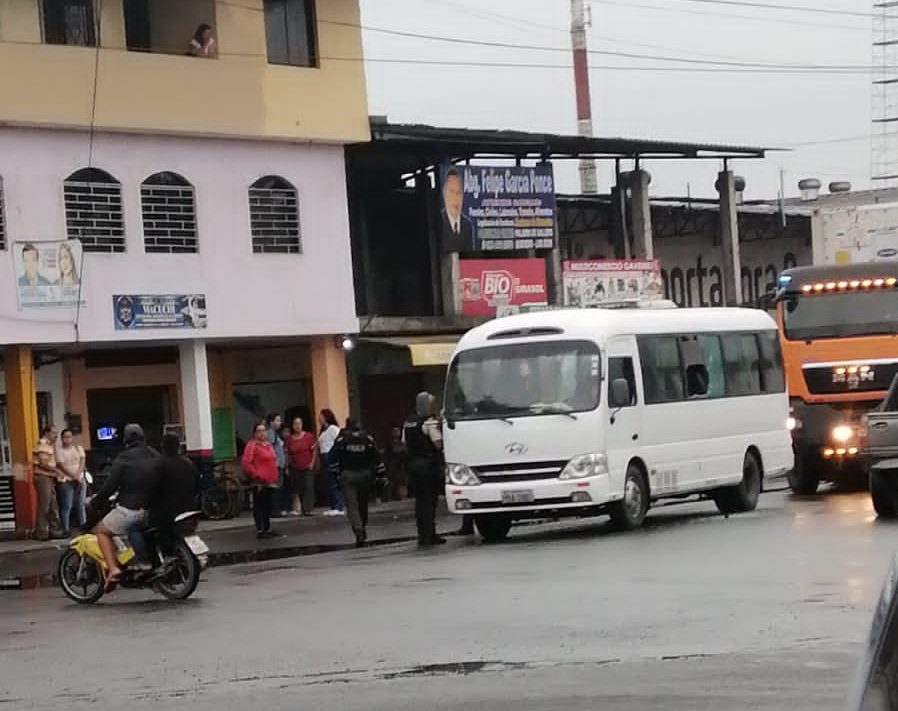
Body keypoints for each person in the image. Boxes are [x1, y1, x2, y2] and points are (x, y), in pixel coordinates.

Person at [90, 424, 159, 588]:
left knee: (101, 531)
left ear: (125, 440)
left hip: (131, 508)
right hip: (153, 508)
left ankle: (113, 569)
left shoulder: (123, 458)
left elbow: (110, 486)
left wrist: (96, 501)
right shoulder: (154, 454)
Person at [329, 419, 385, 548]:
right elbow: (376, 457)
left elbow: (332, 458)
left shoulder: (342, 440)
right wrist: (380, 475)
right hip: (364, 475)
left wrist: (336, 474)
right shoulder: (367, 439)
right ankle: (362, 527)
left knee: (352, 506)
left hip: (347, 475)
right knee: (362, 504)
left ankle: (358, 531)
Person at [403, 392, 447, 547]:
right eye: (431, 404)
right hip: (428, 467)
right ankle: (430, 535)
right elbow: (438, 444)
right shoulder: (429, 422)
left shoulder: (408, 422)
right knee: (430, 502)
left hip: (413, 465)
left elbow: (404, 442)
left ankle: (422, 535)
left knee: (420, 502)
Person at [146, 434, 200, 562]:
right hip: (189, 508)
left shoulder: (159, 465)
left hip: (166, 512)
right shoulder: (188, 463)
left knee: (149, 533)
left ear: (162, 446)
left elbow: (152, 488)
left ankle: (157, 560)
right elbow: (198, 484)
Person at [242, 421, 280, 539]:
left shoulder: (268, 445)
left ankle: (267, 528)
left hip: (270, 481)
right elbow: (246, 463)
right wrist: (256, 475)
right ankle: (260, 529)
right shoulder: (252, 445)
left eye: (264, 431)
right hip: (259, 481)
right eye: (259, 431)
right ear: (254, 433)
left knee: (268, 505)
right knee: (259, 505)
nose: (262, 433)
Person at [32, 425, 63, 541]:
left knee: (52, 504)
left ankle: (54, 530)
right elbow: (43, 463)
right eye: (54, 433)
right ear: (46, 433)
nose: (56, 436)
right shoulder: (43, 444)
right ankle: (42, 532)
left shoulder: (49, 445)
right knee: (44, 505)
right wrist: (57, 470)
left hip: (49, 477)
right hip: (43, 476)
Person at [55, 428, 86, 537]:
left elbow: (82, 461)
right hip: (66, 481)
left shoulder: (78, 449)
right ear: (62, 439)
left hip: (80, 479)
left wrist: (78, 475)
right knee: (67, 505)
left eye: (69, 437)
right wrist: (73, 476)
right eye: (65, 437)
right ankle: (66, 530)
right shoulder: (59, 451)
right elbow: (61, 465)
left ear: (72, 438)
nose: (67, 439)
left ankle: (84, 527)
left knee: (81, 504)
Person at [440, 167, 475, 253]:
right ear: (445, 193)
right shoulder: (438, 221)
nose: (455, 198)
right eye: (451, 192)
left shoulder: (468, 225)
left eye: (458, 193)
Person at [287, 417, 316, 515]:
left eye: (299, 424)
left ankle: (308, 509)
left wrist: (312, 462)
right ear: (292, 426)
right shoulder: (290, 439)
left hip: (307, 466)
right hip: (295, 467)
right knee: (298, 487)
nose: (297, 426)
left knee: (308, 486)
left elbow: (314, 450)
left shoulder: (309, 436)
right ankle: (301, 508)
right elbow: (288, 453)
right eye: (295, 424)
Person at [318, 409, 344, 516]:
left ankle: (338, 506)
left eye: (321, 417)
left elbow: (339, 441)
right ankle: (333, 505)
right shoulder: (323, 430)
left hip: (330, 455)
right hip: (323, 456)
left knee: (334, 482)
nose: (319, 419)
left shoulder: (333, 429)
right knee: (328, 482)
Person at [265, 413, 288, 517]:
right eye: (277, 420)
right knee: (276, 488)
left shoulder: (275, 433)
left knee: (278, 488)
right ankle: (275, 511)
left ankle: (276, 509)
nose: (280, 422)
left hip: (279, 465)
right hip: (275, 466)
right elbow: (270, 448)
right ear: (271, 422)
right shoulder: (271, 433)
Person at [384, 426, 409, 502]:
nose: (396, 433)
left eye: (398, 431)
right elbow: (393, 451)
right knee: (391, 481)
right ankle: (389, 497)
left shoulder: (403, 441)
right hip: (392, 463)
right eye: (394, 431)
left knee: (402, 481)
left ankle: (403, 496)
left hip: (402, 464)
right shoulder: (390, 442)